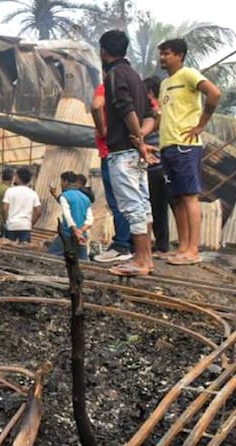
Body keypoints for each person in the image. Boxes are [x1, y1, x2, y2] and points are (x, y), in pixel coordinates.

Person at [99, 30, 158, 277]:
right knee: (142, 204)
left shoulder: (114, 75)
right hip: (132, 150)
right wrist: (141, 137)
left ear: (103, 51)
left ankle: (142, 260)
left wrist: (137, 139)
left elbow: (126, 109)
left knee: (132, 206)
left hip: (123, 152)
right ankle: (145, 258)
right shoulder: (136, 77)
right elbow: (153, 115)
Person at [159, 38, 221, 266]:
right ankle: (183, 247)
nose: (162, 58)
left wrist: (201, 124)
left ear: (179, 55)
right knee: (176, 198)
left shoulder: (189, 74)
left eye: (167, 53)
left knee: (189, 196)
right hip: (167, 146)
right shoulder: (165, 84)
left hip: (186, 145)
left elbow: (214, 94)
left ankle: (193, 249)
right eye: (161, 54)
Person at [91, 80, 134, 264]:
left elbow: (96, 105)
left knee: (118, 202)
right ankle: (131, 244)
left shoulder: (109, 86)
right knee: (132, 201)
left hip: (112, 153)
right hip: (130, 152)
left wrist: (102, 131)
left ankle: (121, 245)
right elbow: (155, 113)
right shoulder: (135, 87)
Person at [143, 76, 174, 257]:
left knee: (162, 206)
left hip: (160, 163)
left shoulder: (159, 110)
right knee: (157, 207)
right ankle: (161, 245)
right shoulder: (151, 110)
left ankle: (164, 246)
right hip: (154, 164)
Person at [48, 171, 93, 260]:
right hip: (82, 235)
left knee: (51, 256)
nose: (61, 185)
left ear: (65, 182)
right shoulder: (85, 198)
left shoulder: (64, 196)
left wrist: (75, 230)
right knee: (83, 260)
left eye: (61, 182)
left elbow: (68, 216)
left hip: (67, 233)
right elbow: (90, 220)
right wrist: (80, 231)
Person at [2, 167, 42, 243]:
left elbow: (4, 208)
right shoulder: (33, 193)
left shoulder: (10, 191)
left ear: (18, 177)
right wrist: (31, 223)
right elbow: (39, 212)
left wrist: (6, 221)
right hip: (25, 226)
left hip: (11, 225)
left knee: (9, 249)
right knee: (24, 250)